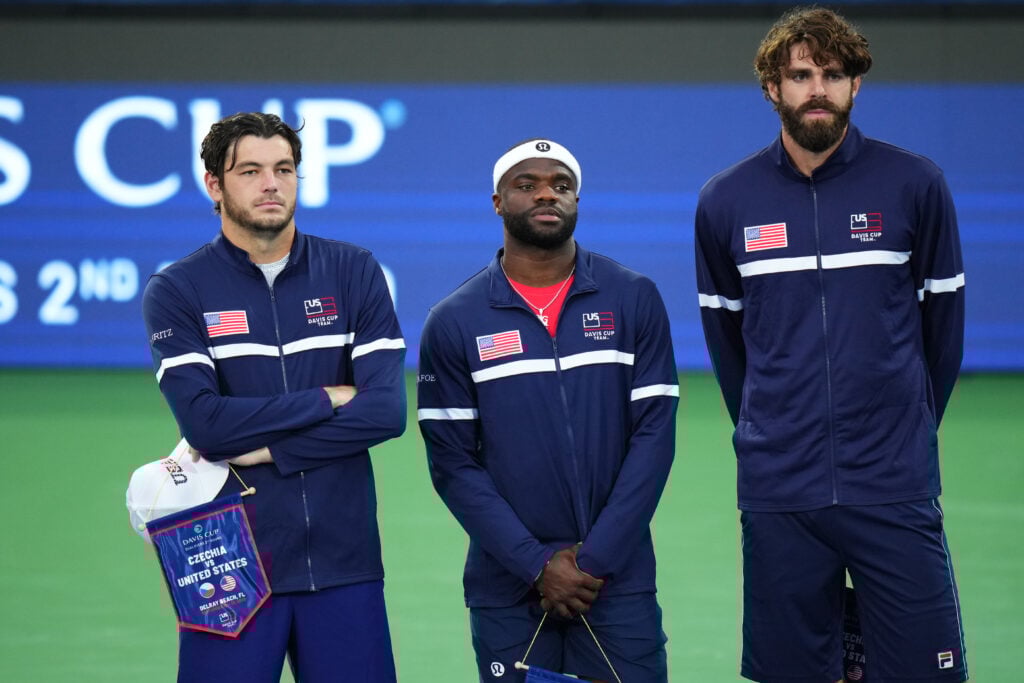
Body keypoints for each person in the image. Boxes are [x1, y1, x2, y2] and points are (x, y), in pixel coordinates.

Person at [694, 7, 968, 683]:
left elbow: (945, 333)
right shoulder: (726, 200)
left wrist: (902, 427)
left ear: (855, 86)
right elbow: (731, 350)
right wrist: (770, 427)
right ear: (772, 88)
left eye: (833, 74)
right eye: (800, 75)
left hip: (893, 483)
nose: (817, 88)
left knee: (927, 673)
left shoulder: (916, 184)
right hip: (780, 488)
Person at [141, 112, 406, 683]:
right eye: (251, 171)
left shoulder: (353, 270)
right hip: (222, 558)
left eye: (284, 168)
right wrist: (328, 397)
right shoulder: (177, 289)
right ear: (215, 184)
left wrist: (271, 452)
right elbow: (208, 427)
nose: (271, 184)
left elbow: (385, 411)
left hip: (344, 560)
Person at [417, 138, 678, 682]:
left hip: (615, 583)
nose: (546, 194)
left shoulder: (633, 298)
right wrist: (536, 566)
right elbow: (453, 466)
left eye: (561, 185)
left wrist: (592, 563)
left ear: (577, 200)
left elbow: (654, 439)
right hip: (508, 587)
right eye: (526, 184)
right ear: (497, 202)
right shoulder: (454, 320)